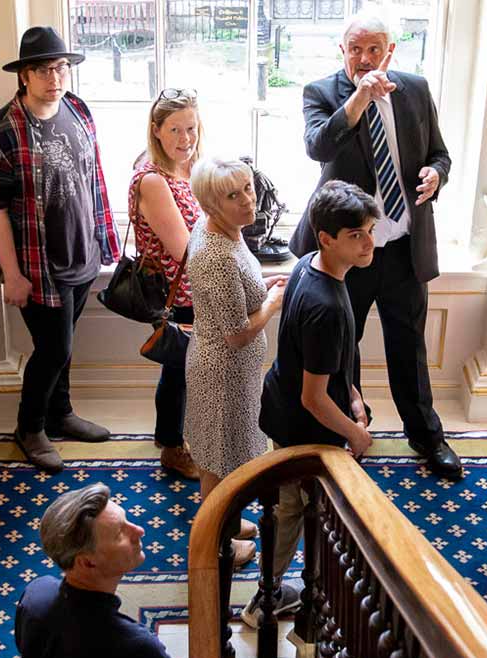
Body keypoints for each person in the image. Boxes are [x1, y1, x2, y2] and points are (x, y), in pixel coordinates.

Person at [288, 13, 460, 479]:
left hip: (403, 247)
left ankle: (427, 438)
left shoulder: (416, 90)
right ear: (341, 51)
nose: (365, 59)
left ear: (390, 51)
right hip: (348, 253)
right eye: (355, 50)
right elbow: (318, 148)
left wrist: (436, 174)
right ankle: (353, 430)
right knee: (344, 349)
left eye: (374, 50)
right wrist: (359, 99)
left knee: (410, 348)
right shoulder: (321, 93)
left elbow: (440, 153)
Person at [0, 26, 120, 473]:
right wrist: (12, 274)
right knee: (53, 348)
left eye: (60, 67)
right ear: (24, 75)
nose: (54, 77)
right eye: (42, 69)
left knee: (66, 344)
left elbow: (93, 178)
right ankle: (30, 426)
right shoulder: (1, 131)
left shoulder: (77, 110)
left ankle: (60, 414)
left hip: (82, 253)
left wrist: (103, 236)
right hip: (38, 266)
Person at [247, 181, 381, 627]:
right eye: (356, 235)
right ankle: (264, 600)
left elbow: (327, 365)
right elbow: (313, 398)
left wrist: (355, 396)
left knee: (296, 507)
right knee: (292, 510)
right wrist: (355, 432)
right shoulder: (325, 306)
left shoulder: (309, 265)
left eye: (369, 230)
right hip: (301, 425)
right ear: (326, 238)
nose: (369, 243)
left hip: (287, 407)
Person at [16, 483, 233, 658]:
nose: (138, 530)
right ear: (87, 563)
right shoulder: (135, 647)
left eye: (127, 519)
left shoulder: (36, 594)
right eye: (120, 533)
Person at [184, 157, 287, 568]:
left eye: (248, 187)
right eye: (234, 195)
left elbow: (239, 289)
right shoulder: (216, 255)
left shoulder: (229, 232)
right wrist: (273, 305)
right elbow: (237, 332)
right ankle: (216, 539)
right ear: (211, 205)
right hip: (221, 372)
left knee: (227, 452)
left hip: (234, 370)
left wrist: (264, 285)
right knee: (217, 460)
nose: (249, 200)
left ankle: (229, 519)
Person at [129, 88, 205, 479]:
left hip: (197, 288)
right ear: (156, 130)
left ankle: (175, 437)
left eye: (190, 128)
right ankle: (173, 447)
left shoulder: (188, 167)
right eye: (175, 129)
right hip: (176, 292)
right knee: (178, 369)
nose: (185, 139)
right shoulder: (154, 180)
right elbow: (184, 250)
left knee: (184, 370)